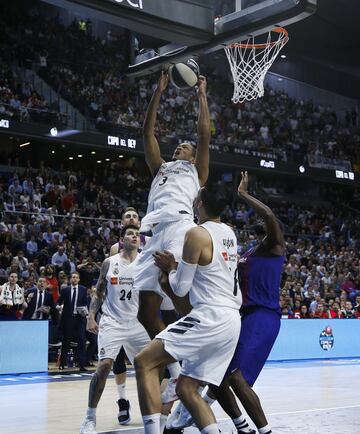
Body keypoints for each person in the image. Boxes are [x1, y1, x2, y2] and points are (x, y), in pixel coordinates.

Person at [171, 172, 285, 434]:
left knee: (236, 377)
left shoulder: (275, 248)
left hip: (263, 316)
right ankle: (241, 427)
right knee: (219, 376)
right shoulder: (247, 252)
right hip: (238, 315)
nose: (266, 230)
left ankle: (265, 431)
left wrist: (243, 195)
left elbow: (268, 217)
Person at [134, 183, 242, 434]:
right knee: (186, 388)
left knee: (144, 362)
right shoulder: (230, 233)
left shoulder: (196, 234)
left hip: (210, 316)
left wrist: (172, 267)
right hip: (231, 321)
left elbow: (180, 289)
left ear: (199, 203)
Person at [134, 71, 210, 403]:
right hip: (153, 231)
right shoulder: (161, 167)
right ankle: (178, 375)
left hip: (180, 227)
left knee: (182, 299)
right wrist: (158, 92)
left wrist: (202, 96)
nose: (180, 144)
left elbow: (204, 135)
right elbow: (146, 131)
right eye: (178, 144)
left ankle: (202, 361)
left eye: (186, 145)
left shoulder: (197, 170)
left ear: (193, 156)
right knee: (145, 313)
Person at [79, 225, 150, 434]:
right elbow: (99, 292)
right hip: (112, 321)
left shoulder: (145, 263)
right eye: (130, 233)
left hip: (138, 324)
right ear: (122, 239)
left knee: (149, 370)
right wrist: (91, 316)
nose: (135, 236)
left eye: (137, 234)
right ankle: (89, 419)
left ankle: (153, 418)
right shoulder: (110, 263)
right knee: (104, 366)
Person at [57, 272, 88, 371]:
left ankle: (81, 364)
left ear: (79, 279)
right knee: (66, 341)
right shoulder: (65, 290)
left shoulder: (83, 289)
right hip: (68, 318)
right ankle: (62, 363)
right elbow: (59, 301)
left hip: (79, 318)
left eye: (76, 277)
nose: (74, 279)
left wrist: (85, 311)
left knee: (82, 340)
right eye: (73, 277)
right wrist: (59, 307)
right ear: (70, 279)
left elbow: (86, 303)